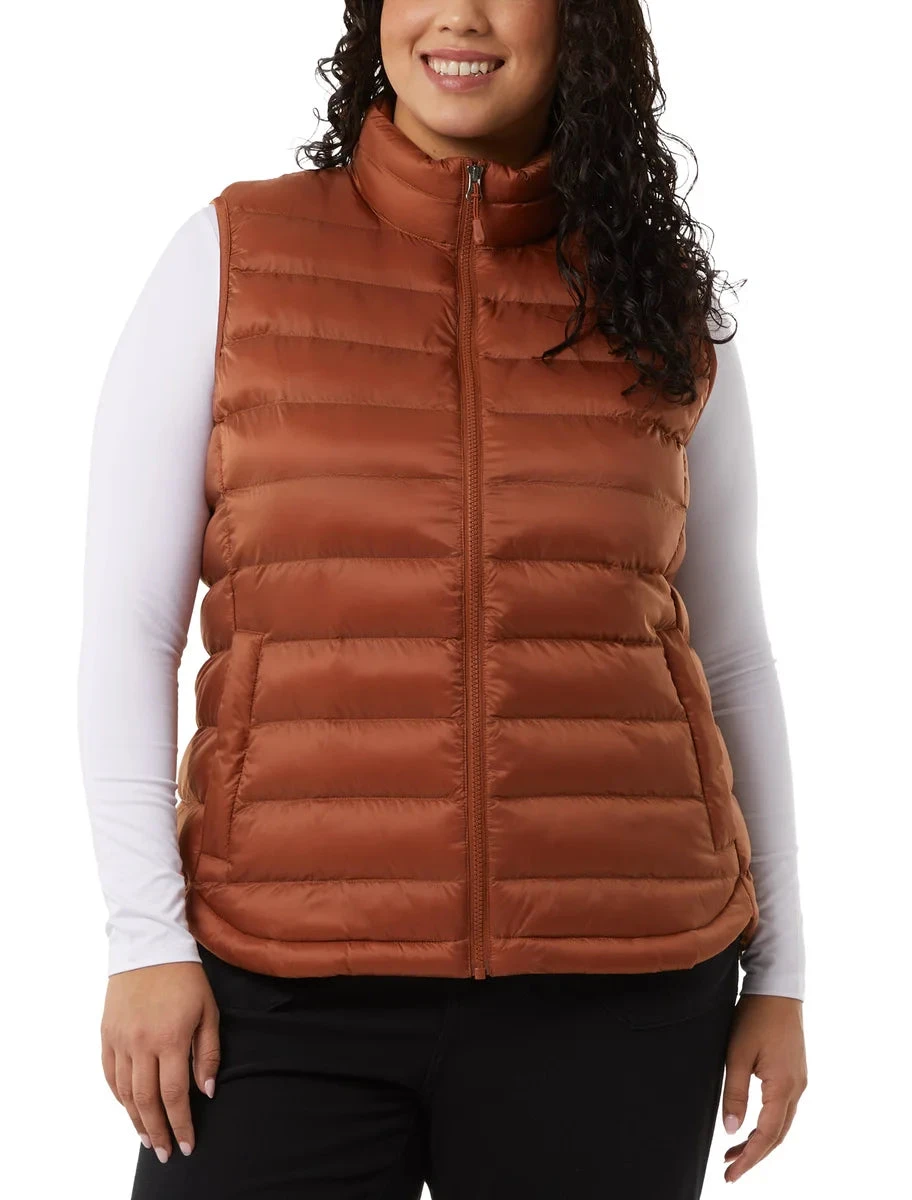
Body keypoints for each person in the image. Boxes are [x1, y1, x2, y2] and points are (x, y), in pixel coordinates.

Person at [77, 2, 807, 1197]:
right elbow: (128, 629)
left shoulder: (657, 301)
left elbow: (730, 657)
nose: (458, 13)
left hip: (620, 988)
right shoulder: (233, 258)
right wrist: (142, 938)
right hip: (278, 980)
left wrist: (781, 970)